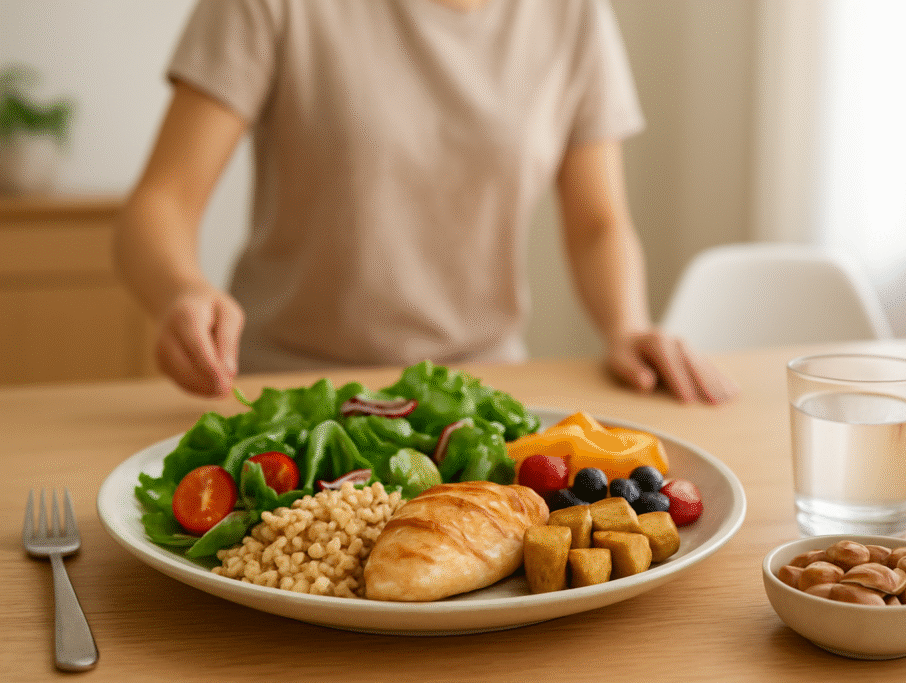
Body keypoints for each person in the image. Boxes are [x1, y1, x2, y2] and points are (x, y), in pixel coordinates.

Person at [114, 0, 738, 404]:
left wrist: (626, 324)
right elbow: (160, 204)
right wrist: (180, 291)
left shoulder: (572, 14)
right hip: (287, 390)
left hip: (480, 395)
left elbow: (600, 223)